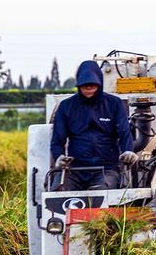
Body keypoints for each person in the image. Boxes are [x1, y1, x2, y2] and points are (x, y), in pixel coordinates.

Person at [50, 60, 138, 191]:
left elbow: (124, 134)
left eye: (92, 85)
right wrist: (59, 157)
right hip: (74, 170)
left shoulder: (114, 104)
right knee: (58, 191)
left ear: (100, 84)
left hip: (107, 170)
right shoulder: (66, 107)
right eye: (84, 86)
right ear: (78, 85)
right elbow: (57, 140)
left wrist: (128, 151)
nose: (88, 89)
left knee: (100, 192)